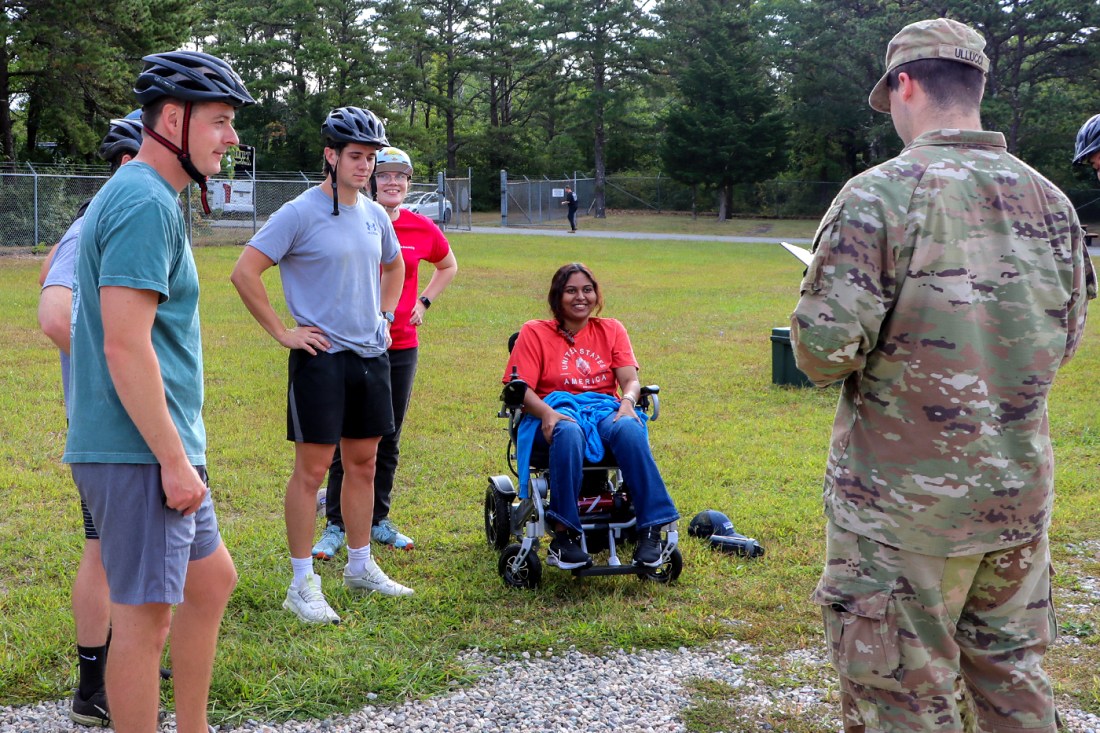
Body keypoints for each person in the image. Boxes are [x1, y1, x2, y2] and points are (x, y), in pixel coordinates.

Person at [790, 18, 1095, 733]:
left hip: (902, 518)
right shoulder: (1052, 203)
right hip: (1015, 504)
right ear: (978, 88)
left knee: (902, 704)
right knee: (1014, 687)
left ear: (905, 84)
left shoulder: (878, 197)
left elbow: (820, 352)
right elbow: (1065, 336)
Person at [64, 50, 253, 733]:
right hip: (140, 449)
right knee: (144, 622)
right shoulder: (144, 199)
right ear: (174, 117)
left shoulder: (154, 197)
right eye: (221, 121)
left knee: (211, 579)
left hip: (155, 444)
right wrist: (174, 461)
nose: (230, 138)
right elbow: (124, 342)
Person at [230, 106, 411, 626]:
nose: (365, 167)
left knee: (364, 465)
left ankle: (360, 565)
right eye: (356, 156)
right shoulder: (298, 212)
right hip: (320, 361)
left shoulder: (376, 214)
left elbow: (394, 264)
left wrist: (385, 313)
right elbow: (246, 272)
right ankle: (301, 583)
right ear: (330, 156)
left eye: (371, 158)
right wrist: (283, 331)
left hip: (370, 356)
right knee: (311, 472)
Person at [38, 113, 142, 728]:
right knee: (102, 551)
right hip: (110, 429)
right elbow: (56, 317)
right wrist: (120, 373)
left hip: (132, 425)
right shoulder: (93, 225)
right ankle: (93, 684)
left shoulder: (116, 221)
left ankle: (128, 652)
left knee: (126, 549)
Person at [312, 146, 458, 560]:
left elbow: (448, 265)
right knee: (347, 438)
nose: (393, 182)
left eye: (401, 177)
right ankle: (337, 523)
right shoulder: (354, 220)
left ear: (409, 184)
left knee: (387, 436)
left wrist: (424, 303)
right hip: (349, 344)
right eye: (386, 175)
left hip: (398, 346)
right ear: (374, 180)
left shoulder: (420, 228)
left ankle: (378, 518)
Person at [502, 263, 679, 570]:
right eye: (571, 290)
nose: (580, 297)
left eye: (587, 290)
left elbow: (631, 380)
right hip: (554, 413)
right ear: (558, 297)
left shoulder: (611, 329)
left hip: (602, 410)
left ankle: (650, 531)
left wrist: (627, 402)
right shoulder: (534, 332)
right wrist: (546, 412)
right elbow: (519, 389)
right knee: (568, 430)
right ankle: (564, 536)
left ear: (597, 295)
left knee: (629, 428)